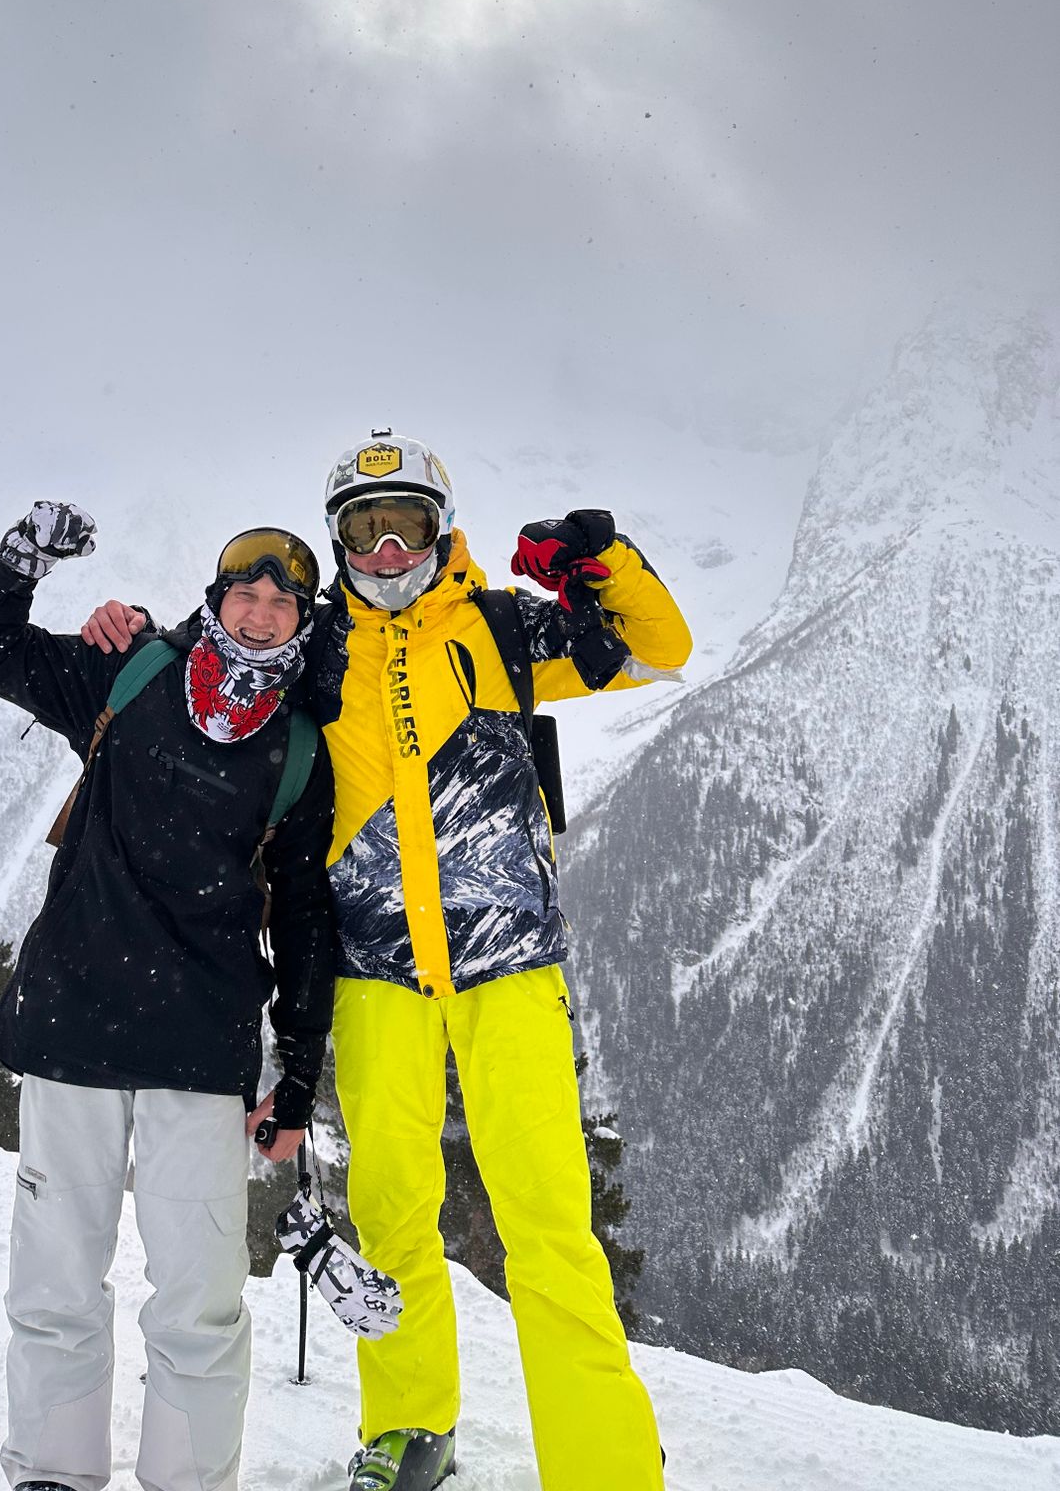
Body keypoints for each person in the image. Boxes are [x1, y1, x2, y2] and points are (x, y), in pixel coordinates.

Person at [83, 434, 691, 1491]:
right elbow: (213, 656)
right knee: (394, 1218)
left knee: (549, 1227)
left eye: (407, 522)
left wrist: (604, 561)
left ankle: (604, 1466)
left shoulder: (502, 626)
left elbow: (658, 648)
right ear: (340, 539)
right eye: (366, 528)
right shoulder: (315, 646)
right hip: (376, 975)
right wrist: (125, 631)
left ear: (441, 527)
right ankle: (409, 1428)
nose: (389, 548)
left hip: (509, 966)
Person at [0, 500, 337, 1491]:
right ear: (217, 599)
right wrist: (21, 560)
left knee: (198, 1307)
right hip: (73, 1025)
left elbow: (304, 919)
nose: (260, 614)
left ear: (303, 620)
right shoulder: (132, 675)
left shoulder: (301, 747)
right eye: (245, 594)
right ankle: (51, 1472)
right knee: (54, 1288)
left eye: (282, 603)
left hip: (200, 1055)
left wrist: (298, 1076)